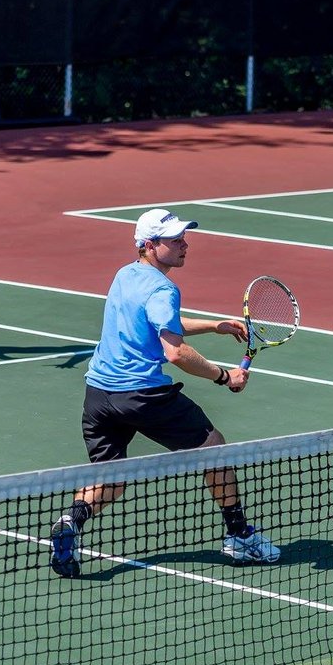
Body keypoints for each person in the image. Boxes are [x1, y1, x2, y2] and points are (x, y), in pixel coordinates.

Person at [50, 207, 280, 578]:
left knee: (111, 475)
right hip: (142, 395)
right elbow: (175, 352)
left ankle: (70, 522)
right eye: (175, 240)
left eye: (183, 238)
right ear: (150, 245)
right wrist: (224, 377)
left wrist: (214, 325)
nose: (185, 244)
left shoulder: (126, 275)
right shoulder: (162, 287)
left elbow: (162, 323)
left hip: (99, 394)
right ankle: (239, 535)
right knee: (215, 449)